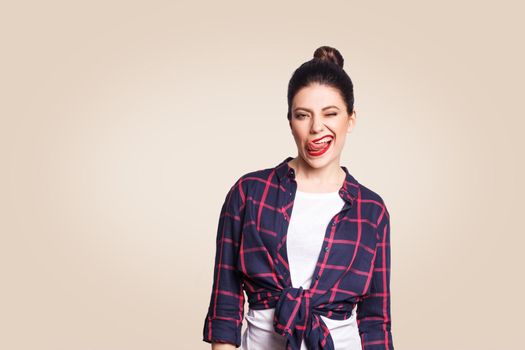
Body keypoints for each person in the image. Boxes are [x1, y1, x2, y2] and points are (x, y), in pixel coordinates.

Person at [203, 46, 394, 350]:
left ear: (351, 119)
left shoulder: (371, 210)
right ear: (290, 120)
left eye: (330, 114)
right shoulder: (249, 193)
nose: (317, 128)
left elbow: (375, 322)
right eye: (303, 115)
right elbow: (225, 306)